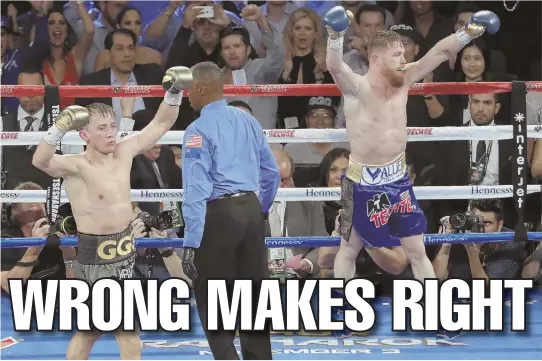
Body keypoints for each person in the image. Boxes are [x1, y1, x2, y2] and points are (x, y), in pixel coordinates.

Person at [322, 5, 500, 325]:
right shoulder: (357, 88)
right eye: (396, 55)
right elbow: (334, 65)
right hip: (363, 181)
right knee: (349, 249)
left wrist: (468, 33)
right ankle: (346, 311)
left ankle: (433, 310)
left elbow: (440, 51)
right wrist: (335, 35)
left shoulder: (404, 80)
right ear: (376, 59)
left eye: (403, 54)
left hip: (398, 178)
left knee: (417, 250)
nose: (403, 60)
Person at [31, 66, 192, 360]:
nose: (110, 134)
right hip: (95, 259)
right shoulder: (76, 165)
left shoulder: (124, 151)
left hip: (125, 250)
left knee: (91, 332)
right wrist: (58, 127)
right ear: (83, 134)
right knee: (125, 334)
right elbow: (40, 160)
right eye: (101, 128)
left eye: (112, 126)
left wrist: (174, 92)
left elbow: (160, 124)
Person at [180, 61, 280, 360]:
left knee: (212, 297)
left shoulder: (196, 130)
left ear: (199, 89)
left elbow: (196, 189)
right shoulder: (247, 119)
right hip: (250, 210)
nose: (187, 97)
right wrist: (257, 210)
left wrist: (190, 242)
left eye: (189, 90)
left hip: (219, 215)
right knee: (253, 297)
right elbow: (271, 173)